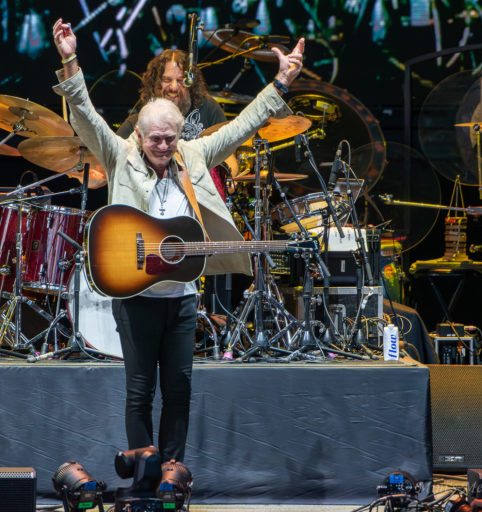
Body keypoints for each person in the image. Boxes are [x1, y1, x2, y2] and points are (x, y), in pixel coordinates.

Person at [51, 17, 304, 462]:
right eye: (156, 140)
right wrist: (70, 59)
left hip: (183, 296)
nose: (164, 147)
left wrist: (281, 82)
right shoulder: (120, 153)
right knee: (139, 391)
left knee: (180, 391)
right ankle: (143, 471)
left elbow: (244, 126)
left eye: (170, 139)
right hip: (136, 295)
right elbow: (86, 115)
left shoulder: (194, 153)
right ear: (139, 136)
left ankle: (172, 473)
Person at [115, 49, 226, 141]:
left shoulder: (208, 108)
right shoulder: (140, 120)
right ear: (155, 83)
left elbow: (229, 155)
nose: (173, 87)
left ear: (191, 83)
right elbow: (112, 153)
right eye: (167, 80)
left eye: (180, 80)